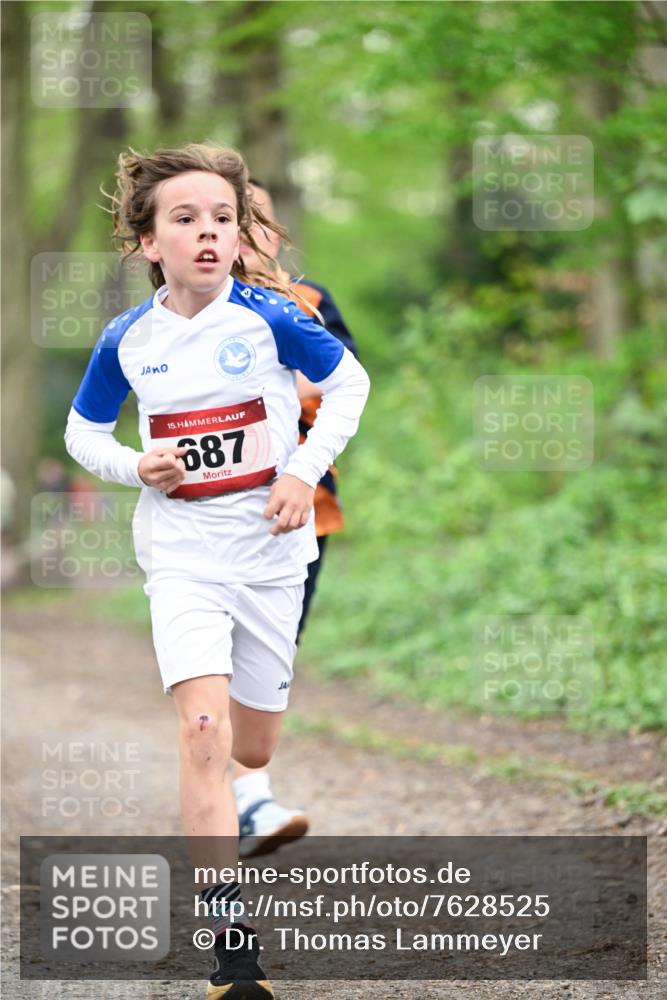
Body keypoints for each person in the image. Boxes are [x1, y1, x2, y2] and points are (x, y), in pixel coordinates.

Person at [64, 143, 370, 1000]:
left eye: (222, 220)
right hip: (184, 555)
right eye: (185, 219)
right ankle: (231, 949)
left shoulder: (271, 317)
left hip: (271, 554)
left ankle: (252, 780)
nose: (207, 233)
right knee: (201, 735)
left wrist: (302, 473)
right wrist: (137, 464)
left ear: (241, 237)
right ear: (149, 242)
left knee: (251, 742)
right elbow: (83, 432)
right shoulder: (128, 338)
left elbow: (349, 385)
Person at [232, 179, 360, 860]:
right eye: (228, 219)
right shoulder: (184, 312)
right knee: (214, 661)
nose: (243, 233)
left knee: (270, 656)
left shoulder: (309, 302)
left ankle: (247, 792)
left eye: (257, 221)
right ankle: (243, 795)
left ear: (277, 235)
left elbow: (343, 383)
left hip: (303, 514)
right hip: (210, 518)